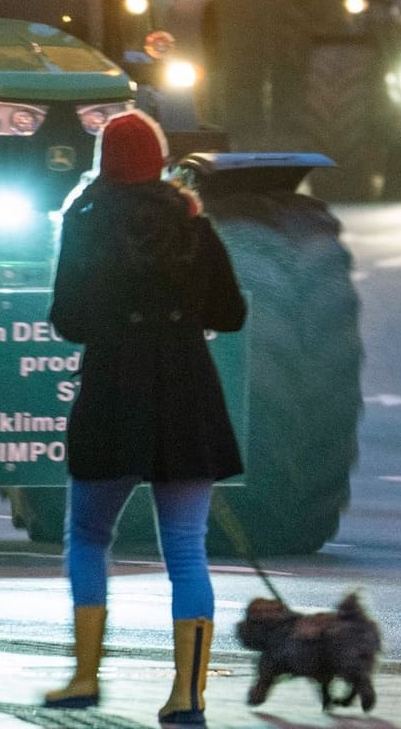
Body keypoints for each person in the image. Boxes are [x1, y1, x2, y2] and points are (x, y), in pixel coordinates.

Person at [42, 109, 247, 727]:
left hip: (112, 394)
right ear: (160, 159)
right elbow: (232, 313)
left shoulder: (83, 223)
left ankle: (84, 677)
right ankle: (188, 696)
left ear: (104, 161)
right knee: (186, 548)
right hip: (186, 393)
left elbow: (67, 320)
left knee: (88, 535)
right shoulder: (193, 225)